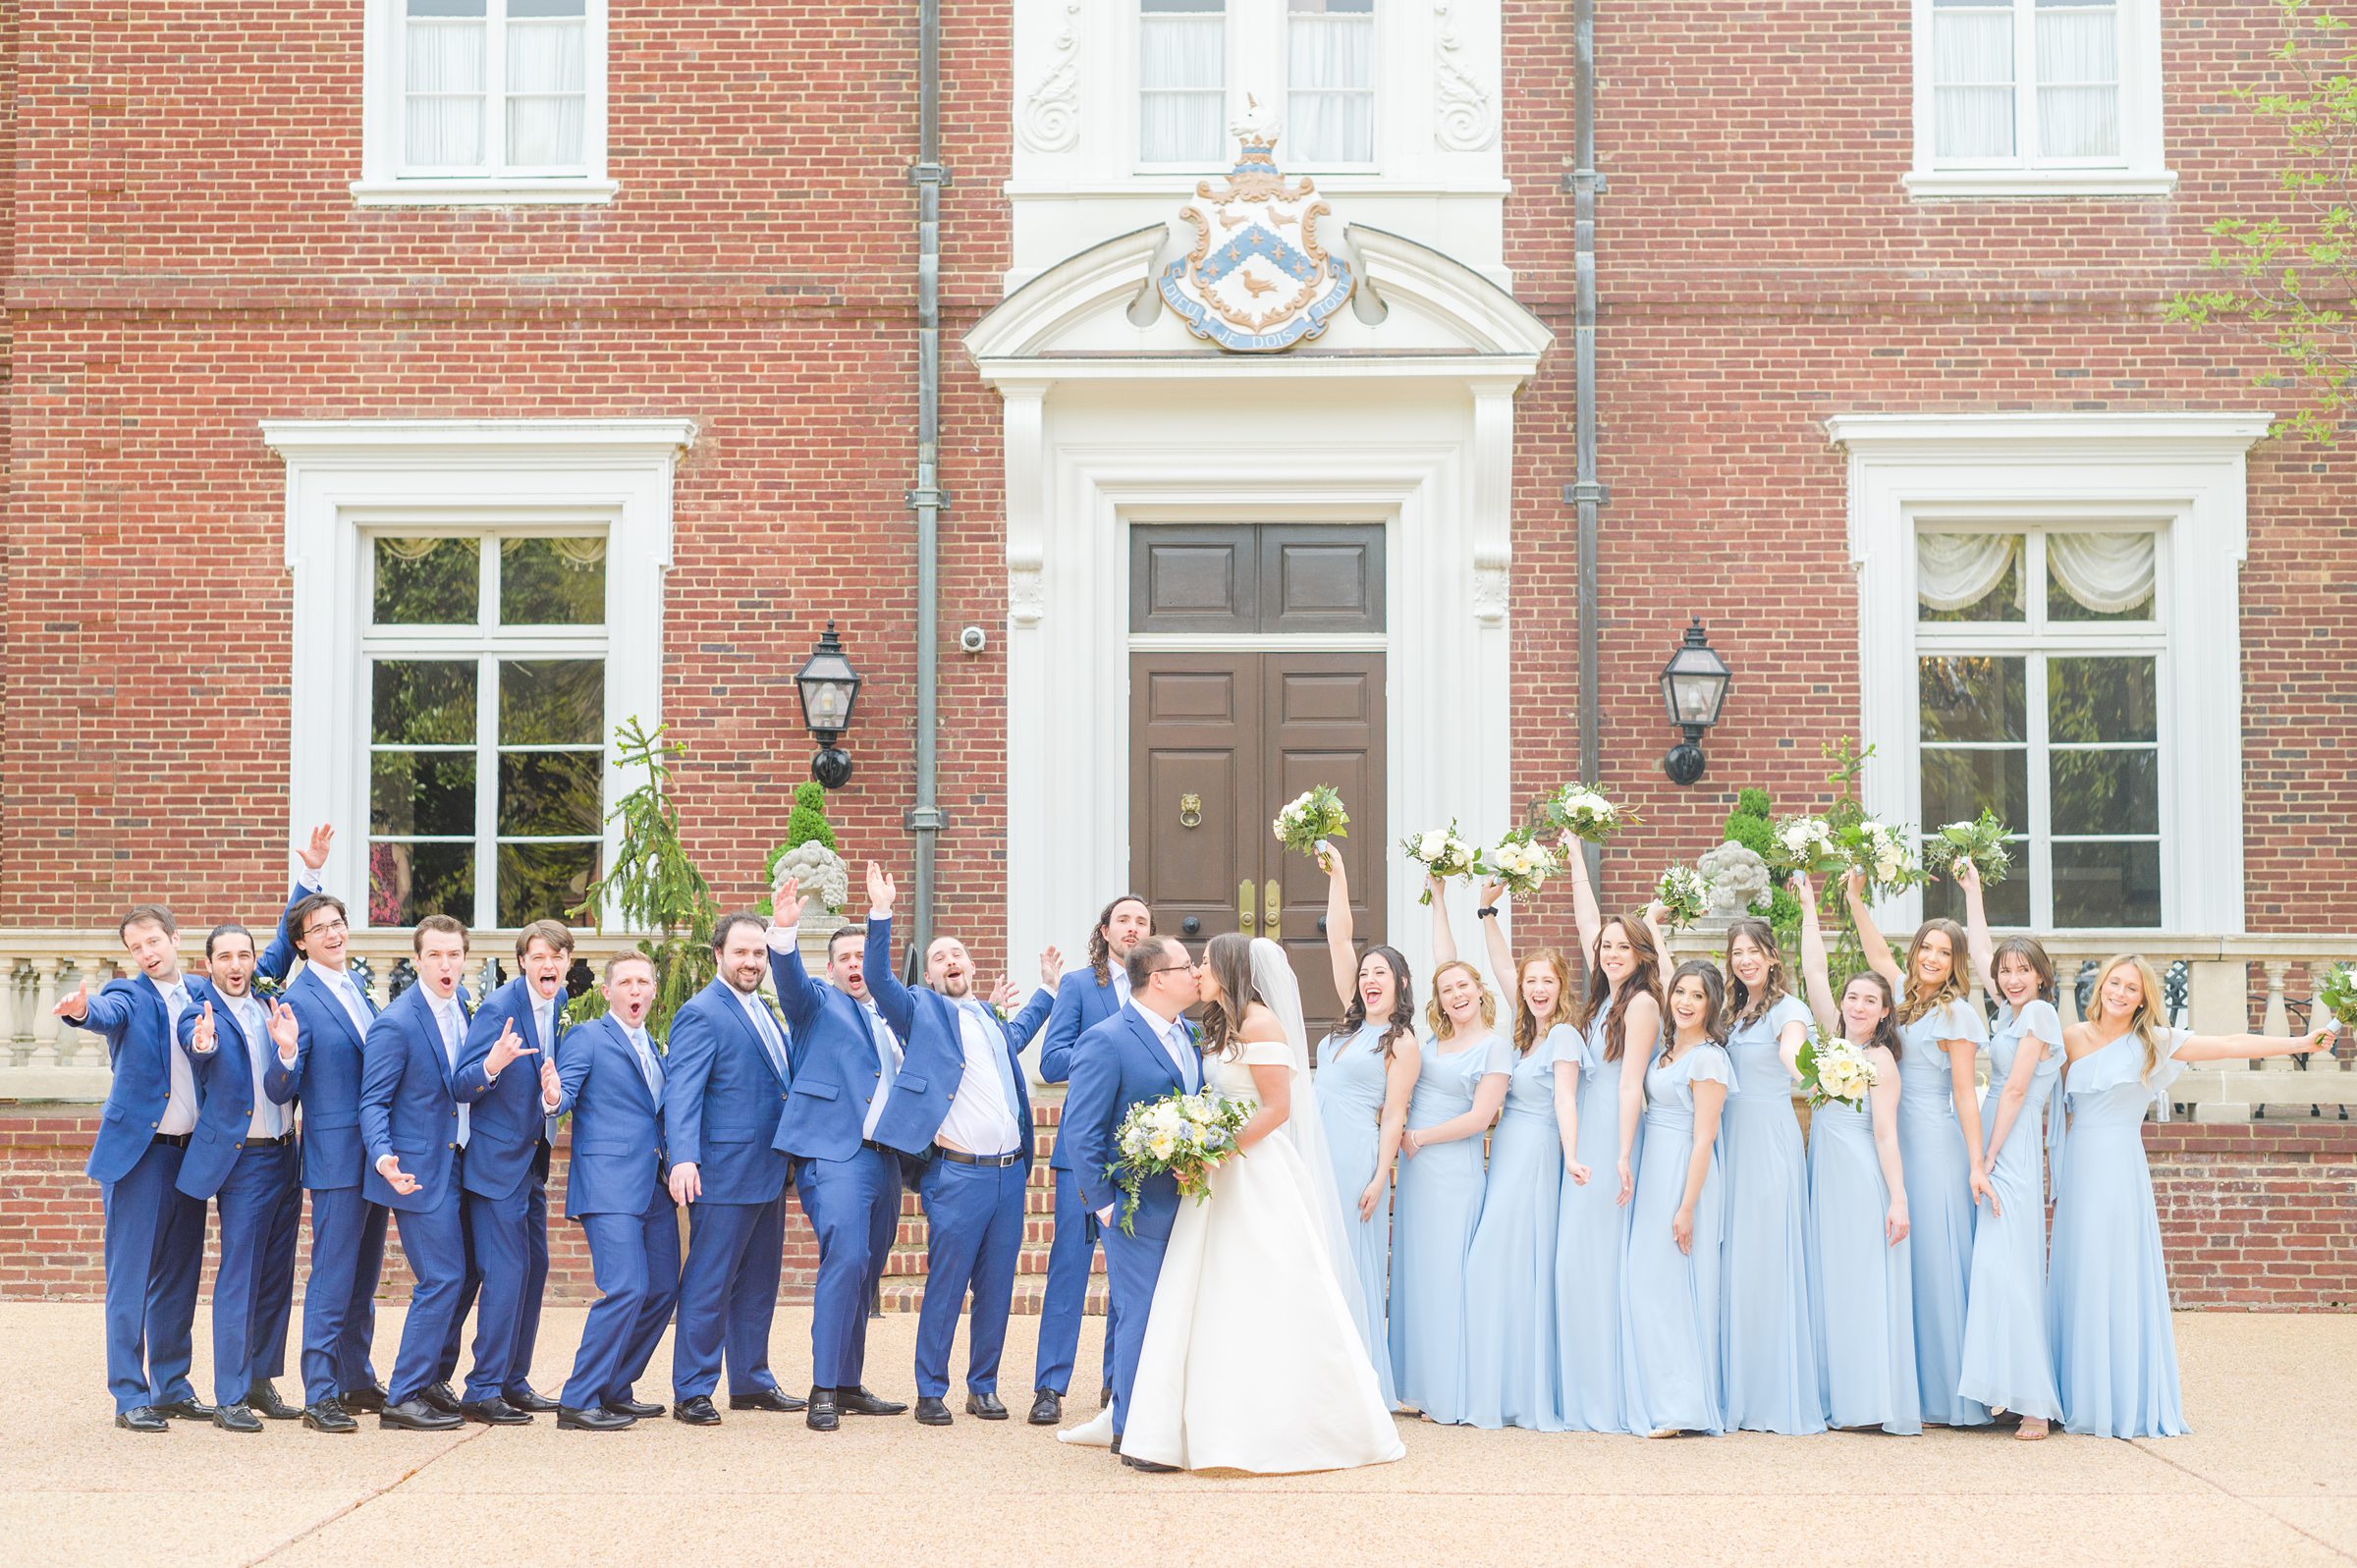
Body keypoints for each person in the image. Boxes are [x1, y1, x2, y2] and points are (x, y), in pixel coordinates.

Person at [1114, 934, 1405, 1474]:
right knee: (1209, 1292)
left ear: (1228, 967)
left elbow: (1275, 1108)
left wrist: (1213, 1154)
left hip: (1252, 1175)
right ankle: (1180, 1426)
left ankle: (1278, 1425)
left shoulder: (1262, 1023)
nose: (1198, 970)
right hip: (1216, 1177)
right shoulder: (1220, 1025)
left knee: (1260, 1286)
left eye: (1204, 962)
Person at [2049, 956, 2336, 1438]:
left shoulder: (2153, 1042)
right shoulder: (2070, 1038)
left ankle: (2121, 1399)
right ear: (2099, 986)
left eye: (2132, 988)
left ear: (2144, 998)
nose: (2120, 993)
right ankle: (2074, 1393)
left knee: (2117, 1270)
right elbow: (2033, 1094)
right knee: (2079, 1269)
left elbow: (2227, 1044)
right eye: (2114, 983)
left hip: (2120, 1166)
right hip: (2078, 1167)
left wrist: (2299, 1041)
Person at [862, 865, 1059, 1425]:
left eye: (959, 955)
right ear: (928, 976)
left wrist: (1045, 991)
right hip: (957, 1176)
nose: (952, 961)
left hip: (1007, 1175)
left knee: (997, 1286)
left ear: (972, 966)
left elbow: (1017, 1039)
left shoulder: (990, 1021)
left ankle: (984, 1386)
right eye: (940, 957)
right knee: (948, 1284)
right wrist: (882, 911)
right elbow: (878, 979)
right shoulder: (922, 1013)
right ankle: (931, 1388)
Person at [766, 876, 921, 1431]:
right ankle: (823, 1389)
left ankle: (850, 1383)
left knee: (867, 1270)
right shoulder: (816, 1007)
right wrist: (783, 932)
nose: (856, 965)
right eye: (845, 958)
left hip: (884, 1158)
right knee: (848, 1257)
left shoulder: (893, 1015)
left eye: (863, 955)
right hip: (834, 1154)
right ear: (830, 968)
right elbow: (787, 977)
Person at [56, 905, 213, 1431]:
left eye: (153, 941)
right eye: (136, 947)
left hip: (192, 1154)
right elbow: (104, 1012)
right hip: (138, 1158)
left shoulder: (203, 990)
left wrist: (306, 882)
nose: (147, 953)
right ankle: (129, 1395)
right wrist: (81, 1010)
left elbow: (267, 960)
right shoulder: (128, 994)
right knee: (130, 1278)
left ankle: (172, 1386)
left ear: (174, 937)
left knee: (179, 1276)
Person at [1056, 935, 1202, 1468]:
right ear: (1157, 978)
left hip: (1187, 1201)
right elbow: (1082, 1127)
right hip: (1135, 1207)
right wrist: (1103, 1203)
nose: (1196, 974)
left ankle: (1166, 1421)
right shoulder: (1107, 1038)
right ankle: (1134, 1434)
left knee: (1175, 1313)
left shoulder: (1191, 1034)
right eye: (1186, 966)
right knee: (1138, 1315)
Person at [1850, 875, 1990, 1429]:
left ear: (1956, 962)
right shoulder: (1902, 1003)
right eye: (1926, 948)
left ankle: (1951, 1394)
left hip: (1933, 1144)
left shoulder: (1957, 1014)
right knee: (1902, 1259)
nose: (1932, 957)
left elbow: (1964, 1093)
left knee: (1936, 1262)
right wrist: (1856, 898)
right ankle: (1909, 1381)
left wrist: (1976, 1162)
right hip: (1891, 1137)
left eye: (1944, 951)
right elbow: (1876, 951)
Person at [661, 911, 801, 1426]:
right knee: (709, 1281)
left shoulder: (765, 1010)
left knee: (759, 1282)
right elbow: (682, 1092)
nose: (751, 961)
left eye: (759, 953)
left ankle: (750, 1381)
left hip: (768, 1170)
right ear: (718, 955)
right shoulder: (703, 1012)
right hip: (720, 1172)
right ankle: (693, 1389)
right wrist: (684, 1157)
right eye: (741, 952)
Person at [1794, 872, 1919, 1435]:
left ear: (1885, 1012)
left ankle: (1869, 1401)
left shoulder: (1884, 1062)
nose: (1859, 1004)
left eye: (1872, 999)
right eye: (1853, 997)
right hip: (1826, 1184)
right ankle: (1835, 1396)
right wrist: (1806, 903)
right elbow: (1814, 969)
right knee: (1831, 1285)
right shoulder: (1828, 1043)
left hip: (1863, 1185)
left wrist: (1897, 1200)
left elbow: (1887, 1135)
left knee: (1864, 1287)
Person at [266, 876, 391, 1430]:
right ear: (301, 943)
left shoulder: (357, 987)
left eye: (337, 924)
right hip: (338, 1154)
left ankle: (355, 1377)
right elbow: (279, 1088)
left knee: (365, 1274)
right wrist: (287, 1053)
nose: (332, 933)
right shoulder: (299, 1000)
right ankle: (320, 1390)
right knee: (334, 1273)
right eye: (319, 929)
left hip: (377, 1150)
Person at [538, 952, 682, 1431]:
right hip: (608, 1184)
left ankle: (615, 1387)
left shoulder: (652, 1045)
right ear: (608, 991)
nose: (635, 990)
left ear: (654, 991)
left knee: (662, 1289)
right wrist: (554, 1096)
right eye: (626, 982)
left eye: (644, 982)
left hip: (652, 1185)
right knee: (626, 1287)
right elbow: (567, 1094)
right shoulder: (588, 1037)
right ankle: (577, 1400)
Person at [1454, 878, 1579, 1432]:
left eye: (1546, 981)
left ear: (1561, 986)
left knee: (1494, 1263)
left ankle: (1521, 1390)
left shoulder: (1564, 1038)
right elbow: (1502, 967)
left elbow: (1568, 1102)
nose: (1535, 988)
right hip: (1505, 1150)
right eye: (1530, 982)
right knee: (1499, 1267)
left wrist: (1571, 1155)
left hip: (1534, 1154)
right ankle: (1498, 1386)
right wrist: (1486, 910)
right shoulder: (1526, 1036)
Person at [1388, 878, 1510, 1424]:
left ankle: (1450, 1389)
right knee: (1418, 1271)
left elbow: (1481, 1119)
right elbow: (1444, 960)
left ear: (1480, 992)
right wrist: (1438, 898)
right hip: (1417, 1171)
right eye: (1447, 990)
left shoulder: (1494, 1045)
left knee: (1448, 1275)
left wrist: (1417, 1137)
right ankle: (1415, 1383)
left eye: (1464, 987)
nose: (1456, 994)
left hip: (1451, 1168)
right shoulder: (1436, 1041)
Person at [1696, 911, 1824, 1435]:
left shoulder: (1788, 1010)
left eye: (1754, 951)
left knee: (1767, 1257)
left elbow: (1794, 1050)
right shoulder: (1731, 1011)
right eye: (1737, 953)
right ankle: (1735, 1388)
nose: (1744, 960)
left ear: (1773, 956)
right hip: (1730, 1139)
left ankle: (1771, 1393)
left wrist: (1808, 1069)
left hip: (1769, 1139)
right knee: (1733, 1258)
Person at [1029, 893, 1153, 1426]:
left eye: (1141, 922)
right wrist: (1107, 1049)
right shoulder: (1082, 986)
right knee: (1068, 1271)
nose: (1131, 928)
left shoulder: (1159, 990)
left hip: (1141, 1158)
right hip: (1081, 1155)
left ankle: (1114, 1383)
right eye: (1122, 920)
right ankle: (1050, 1387)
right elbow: (1052, 1059)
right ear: (1105, 931)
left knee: (1128, 1276)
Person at [176, 925, 305, 1430]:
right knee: (240, 1274)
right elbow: (196, 1044)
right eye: (224, 956)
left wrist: (288, 1052)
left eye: (244, 956)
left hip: (285, 1154)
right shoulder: (199, 1011)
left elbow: (281, 1084)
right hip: (243, 1162)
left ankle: (258, 1381)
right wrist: (202, 1042)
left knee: (276, 1275)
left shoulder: (269, 1008)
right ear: (208, 964)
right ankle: (228, 1394)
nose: (236, 965)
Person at [449, 918, 576, 1419]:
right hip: (494, 1164)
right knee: (504, 1271)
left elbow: (550, 1082)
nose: (549, 965)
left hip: (532, 1160)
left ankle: (513, 1379)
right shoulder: (501, 1008)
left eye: (557, 956)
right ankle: (482, 1389)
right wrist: (493, 1064)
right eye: (539, 957)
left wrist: (553, 1101)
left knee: (535, 1267)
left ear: (567, 962)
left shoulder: (558, 1005)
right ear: (522, 961)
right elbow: (461, 1083)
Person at [1953, 875, 2064, 1439]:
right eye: (2006, 971)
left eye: (2023, 970)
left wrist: (1987, 1158)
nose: (2011, 978)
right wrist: (1972, 892)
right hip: (1998, 1143)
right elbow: (1979, 952)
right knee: (1995, 1270)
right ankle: (2007, 1388)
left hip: (2011, 1147)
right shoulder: (2009, 1014)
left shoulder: (2040, 1016)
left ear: (2042, 976)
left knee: (2011, 1269)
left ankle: (2036, 1404)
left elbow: (2016, 1092)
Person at [356, 915, 477, 1432]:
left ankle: (429, 1378)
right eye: (435, 956)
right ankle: (402, 1396)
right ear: (418, 960)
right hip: (416, 1170)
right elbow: (373, 1101)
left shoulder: (465, 1012)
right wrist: (385, 1158)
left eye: (454, 955)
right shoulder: (398, 1021)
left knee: (466, 1274)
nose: (446, 964)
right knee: (442, 1276)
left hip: (461, 1163)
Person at [1554, 845, 1657, 1433]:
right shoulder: (1604, 998)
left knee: (1596, 1257)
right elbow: (1585, 920)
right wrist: (1573, 855)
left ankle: (1609, 1393)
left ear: (1641, 955)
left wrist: (1621, 1153)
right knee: (1578, 1258)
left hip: (1611, 1133)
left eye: (1623, 946)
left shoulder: (1640, 1004)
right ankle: (1584, 1387)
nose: (1611, 953)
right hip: (1585, 1126)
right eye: (1606, 947)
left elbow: (1631, 1086)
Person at [1313, 847, 1417, 1410]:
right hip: (1316, 1149)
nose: (1369, 979)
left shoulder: (1399, 1041)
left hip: (1356, 1155)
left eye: (1381, 972)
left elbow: (1395, 1115)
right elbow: (1337, 940)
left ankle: (1360, 1381)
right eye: (1365, 973)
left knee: (1352, 1264)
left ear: (1400, 982)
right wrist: (1340, 875)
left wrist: (1382, 1176)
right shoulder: (1349, 1026)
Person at [1619, 960, 1734, 1438]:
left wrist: (1687, 1206)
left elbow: (1704, 1138)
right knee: (1646, 1281)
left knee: (1673, 1285)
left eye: (1697, 995)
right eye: (1680, 992)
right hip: (1654, 1170)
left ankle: (1684, 1406)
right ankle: (1655, 1394)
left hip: (1684, 1175)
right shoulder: (1667, 1052)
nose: (1685, 1002)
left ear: (1712, 1004)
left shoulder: (1709, 1058)